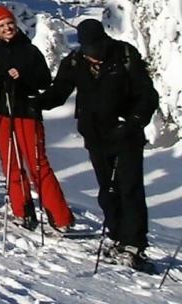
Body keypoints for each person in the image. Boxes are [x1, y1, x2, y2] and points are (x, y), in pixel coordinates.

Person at [38, 18, 159, 270]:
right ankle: (116, 236)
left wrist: (133, 121)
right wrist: (33, 103)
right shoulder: (74, 62)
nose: (96, 57)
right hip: (95, 136)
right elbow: (58, 92)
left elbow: (147, 95)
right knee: (108, 189)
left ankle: (134, 244)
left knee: (129, 188)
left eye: (98, 49)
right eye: (90, 51)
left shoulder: (124, 55)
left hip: (125, 134)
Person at [0, 4, 73, 231]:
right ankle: (22, 210)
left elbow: (44, 81)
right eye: (2, 25)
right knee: (11, 163)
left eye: (10, 23)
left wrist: (23, 77)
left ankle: (60, 217)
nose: (7, 28)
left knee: (38, 164)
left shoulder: (30, 51)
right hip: (0, 113)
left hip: (26, 112)